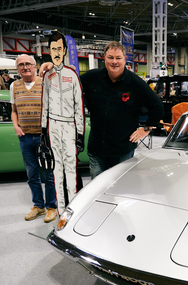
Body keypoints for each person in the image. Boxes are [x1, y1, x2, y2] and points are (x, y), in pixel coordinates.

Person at [40, 41, 163, 180]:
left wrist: (146, 129)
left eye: (118, 58)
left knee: (121, 186)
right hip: (98, 147)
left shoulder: (135, 83)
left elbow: (157, 105)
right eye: (110, 57)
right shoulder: (91, 78)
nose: (114, 61)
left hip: (123, 148)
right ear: (104, 58)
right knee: (97, 188)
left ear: (124, 59)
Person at [41, 32, 85, 214]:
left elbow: (79, 107)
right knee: (56, 170)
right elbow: (44, 104)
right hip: (52, 126)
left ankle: (72, 212)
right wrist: (43, 131)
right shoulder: (46, 76)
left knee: (71, 171)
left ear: (65, 50)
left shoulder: (72, 75)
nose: (57, 52)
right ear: (49, 51)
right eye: (53, 49)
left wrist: (80, 134)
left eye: (59, 48)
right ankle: (60, 212)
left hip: (69, 127)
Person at [10, 54, 57, 223]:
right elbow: (14, 111)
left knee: (48, 174)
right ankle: (39, 205)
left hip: (44, 137)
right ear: (17, 69)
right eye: (21, 65)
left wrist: (51, 64)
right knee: (32, 174)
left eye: (28, 64)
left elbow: (58, 69)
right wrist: (16, 126)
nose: (25, 67)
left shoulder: (46, 83)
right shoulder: (14, 86)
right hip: (25, 137)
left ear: (35, 66)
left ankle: (52, 207)